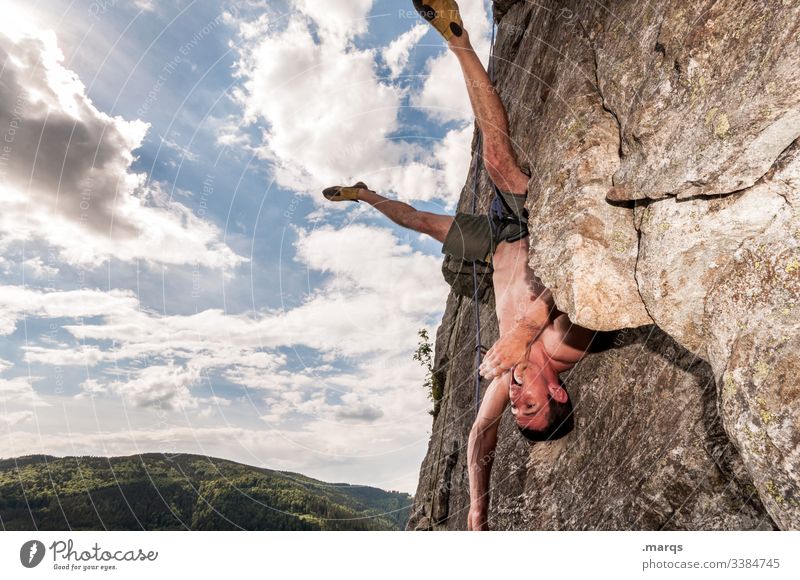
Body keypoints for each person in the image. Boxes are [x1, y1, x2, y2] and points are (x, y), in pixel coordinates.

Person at [322, 0, 595, 531]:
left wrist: (476, 509)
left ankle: (364, 194)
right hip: (528, 223)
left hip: (493, 247)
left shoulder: (507, 380)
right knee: (496, 159)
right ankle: (457, 37)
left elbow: (477, 437)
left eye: (517, 409)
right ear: (557, 391)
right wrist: (526, 331)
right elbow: (584, 288)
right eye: (531, 405)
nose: (516, 399)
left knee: (424, 224)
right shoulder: (564, 349)